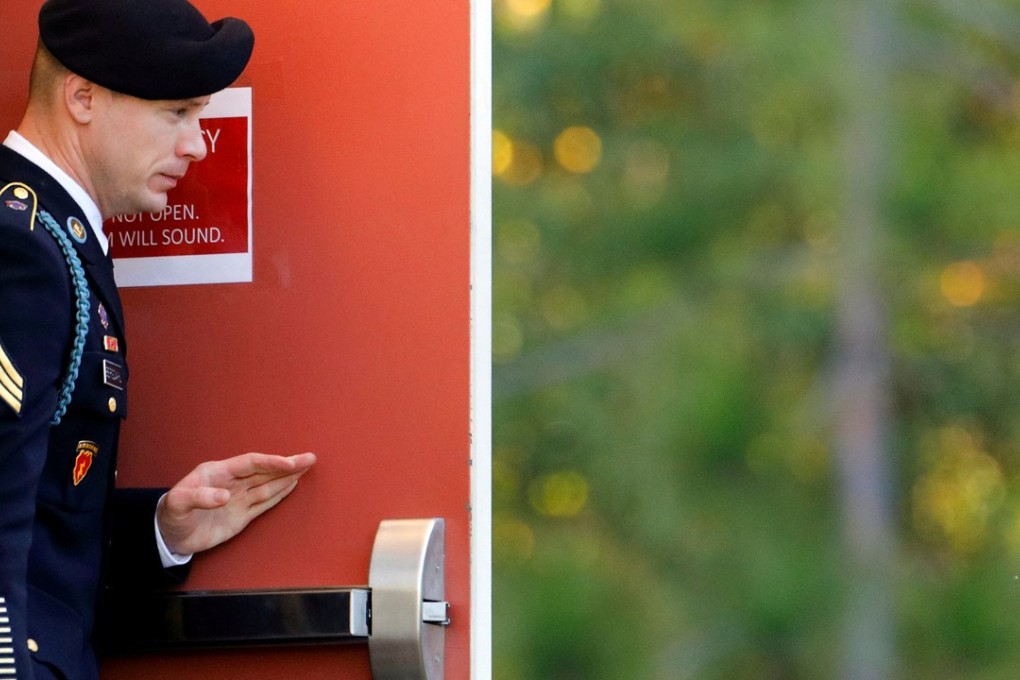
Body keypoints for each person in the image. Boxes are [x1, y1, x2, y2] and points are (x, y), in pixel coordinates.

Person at [0, 1, 317, 678]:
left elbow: (41, 502)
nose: (198, 144)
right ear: (82, 97)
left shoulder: (57, 235)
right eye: (177, 113)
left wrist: (160, 531)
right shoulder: (18, 243)